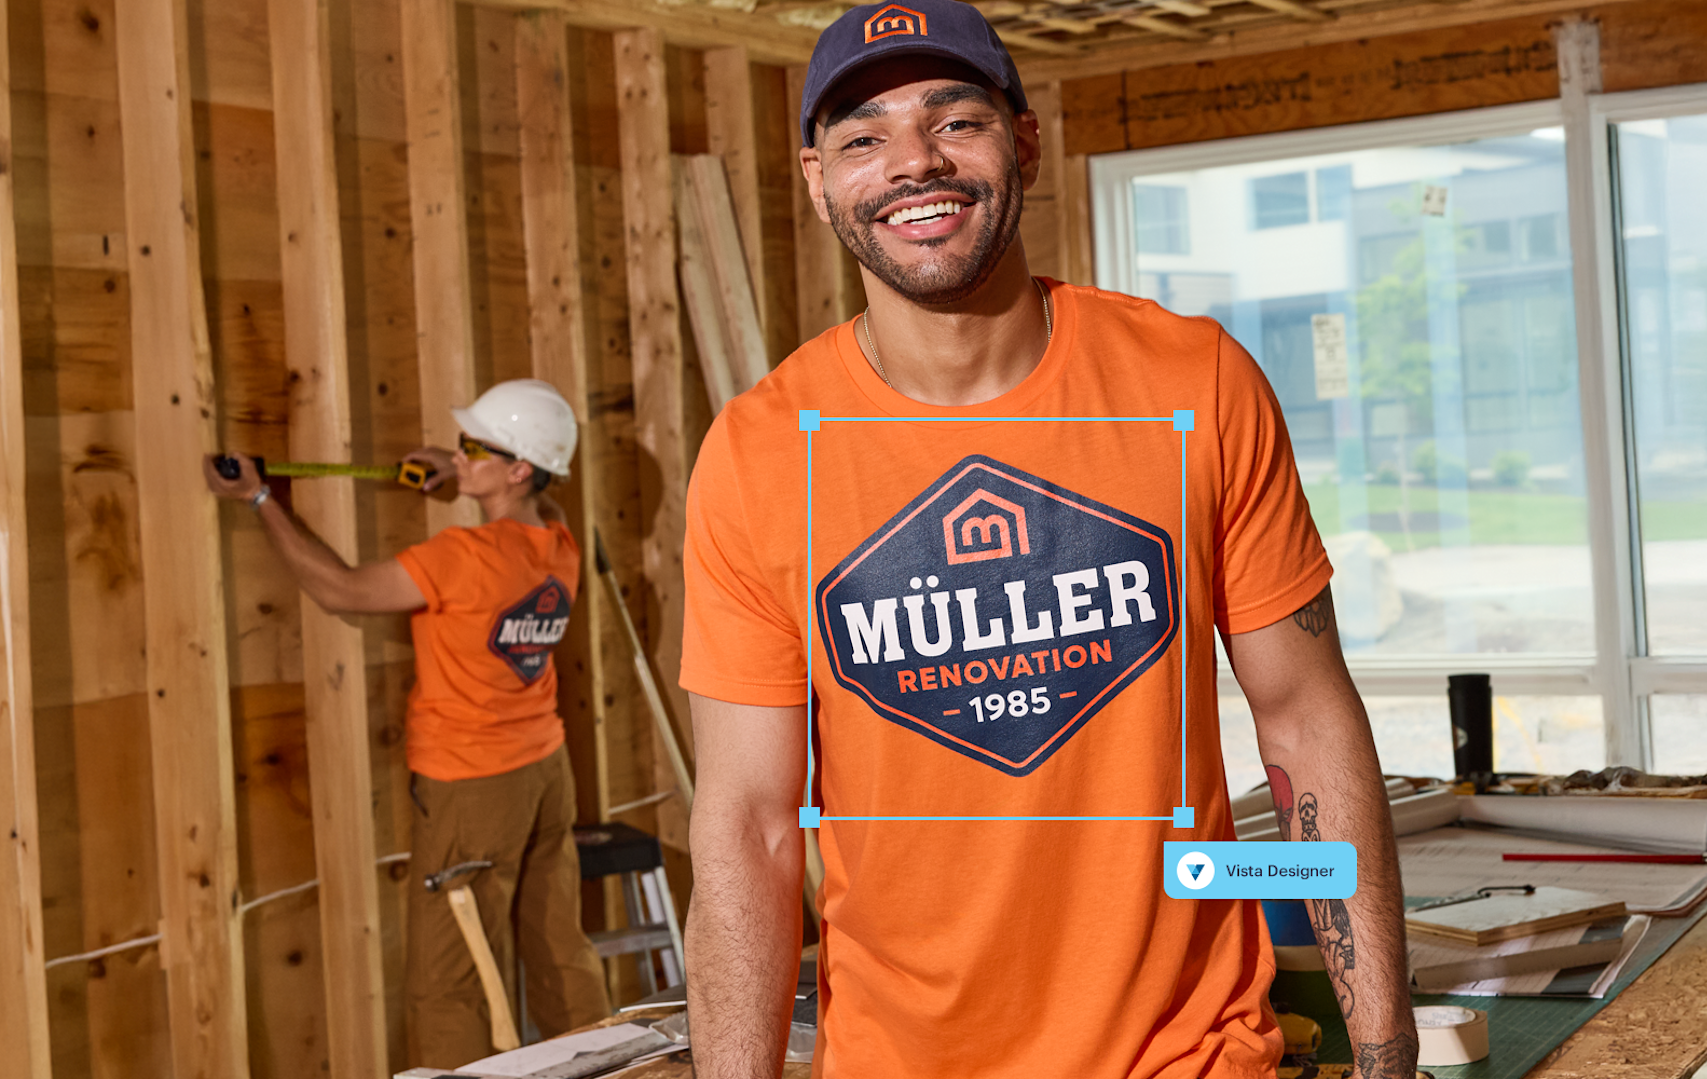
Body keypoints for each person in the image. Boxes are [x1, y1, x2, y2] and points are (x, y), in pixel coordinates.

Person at [676, 1, 1419, 1076]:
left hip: (1188, 1054)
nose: (914, 162)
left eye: (954, 121)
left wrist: (1387, 1050)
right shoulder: (758, 455)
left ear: (1024, 142)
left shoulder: (1195, 383)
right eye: (864, 138)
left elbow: (1305, 720)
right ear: (818, 180)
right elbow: (749, 826)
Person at [202, 378, 611, 1067]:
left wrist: (261, 500)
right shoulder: (559, 543)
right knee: (557, 946)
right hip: (545, 773)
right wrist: (462, 472)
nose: (459, 452)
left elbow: (341, 589)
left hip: (469, 787)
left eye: (475, 446)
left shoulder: (463, 556)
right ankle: (607, 1067)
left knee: (448, 981)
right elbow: (543, 502)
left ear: (517, 469)